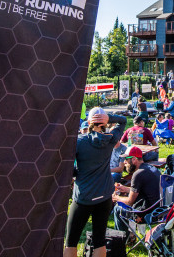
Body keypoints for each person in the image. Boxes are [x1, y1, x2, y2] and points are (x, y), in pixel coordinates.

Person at [64, 108, 127, 257]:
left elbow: (66, 167)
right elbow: (123, 121)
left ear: (89, 122)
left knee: (71, 241)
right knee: (100, 241)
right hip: (104, 197)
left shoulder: (78, 142)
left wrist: (76, 172)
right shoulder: (111, 139)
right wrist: (108, 117)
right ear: (105, 122)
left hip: (83, 198)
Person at [112, 146, 161, 231]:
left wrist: (116, 198)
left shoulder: (138, 174)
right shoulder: (150, 168)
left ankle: (122, 239)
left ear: (134, 159)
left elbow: (129, 202)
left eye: (126, 159)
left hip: (146, 213)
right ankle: (130, 236)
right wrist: (125, 188)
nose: (124, 162)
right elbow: (143, 190)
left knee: (118, 208)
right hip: (158, 209)